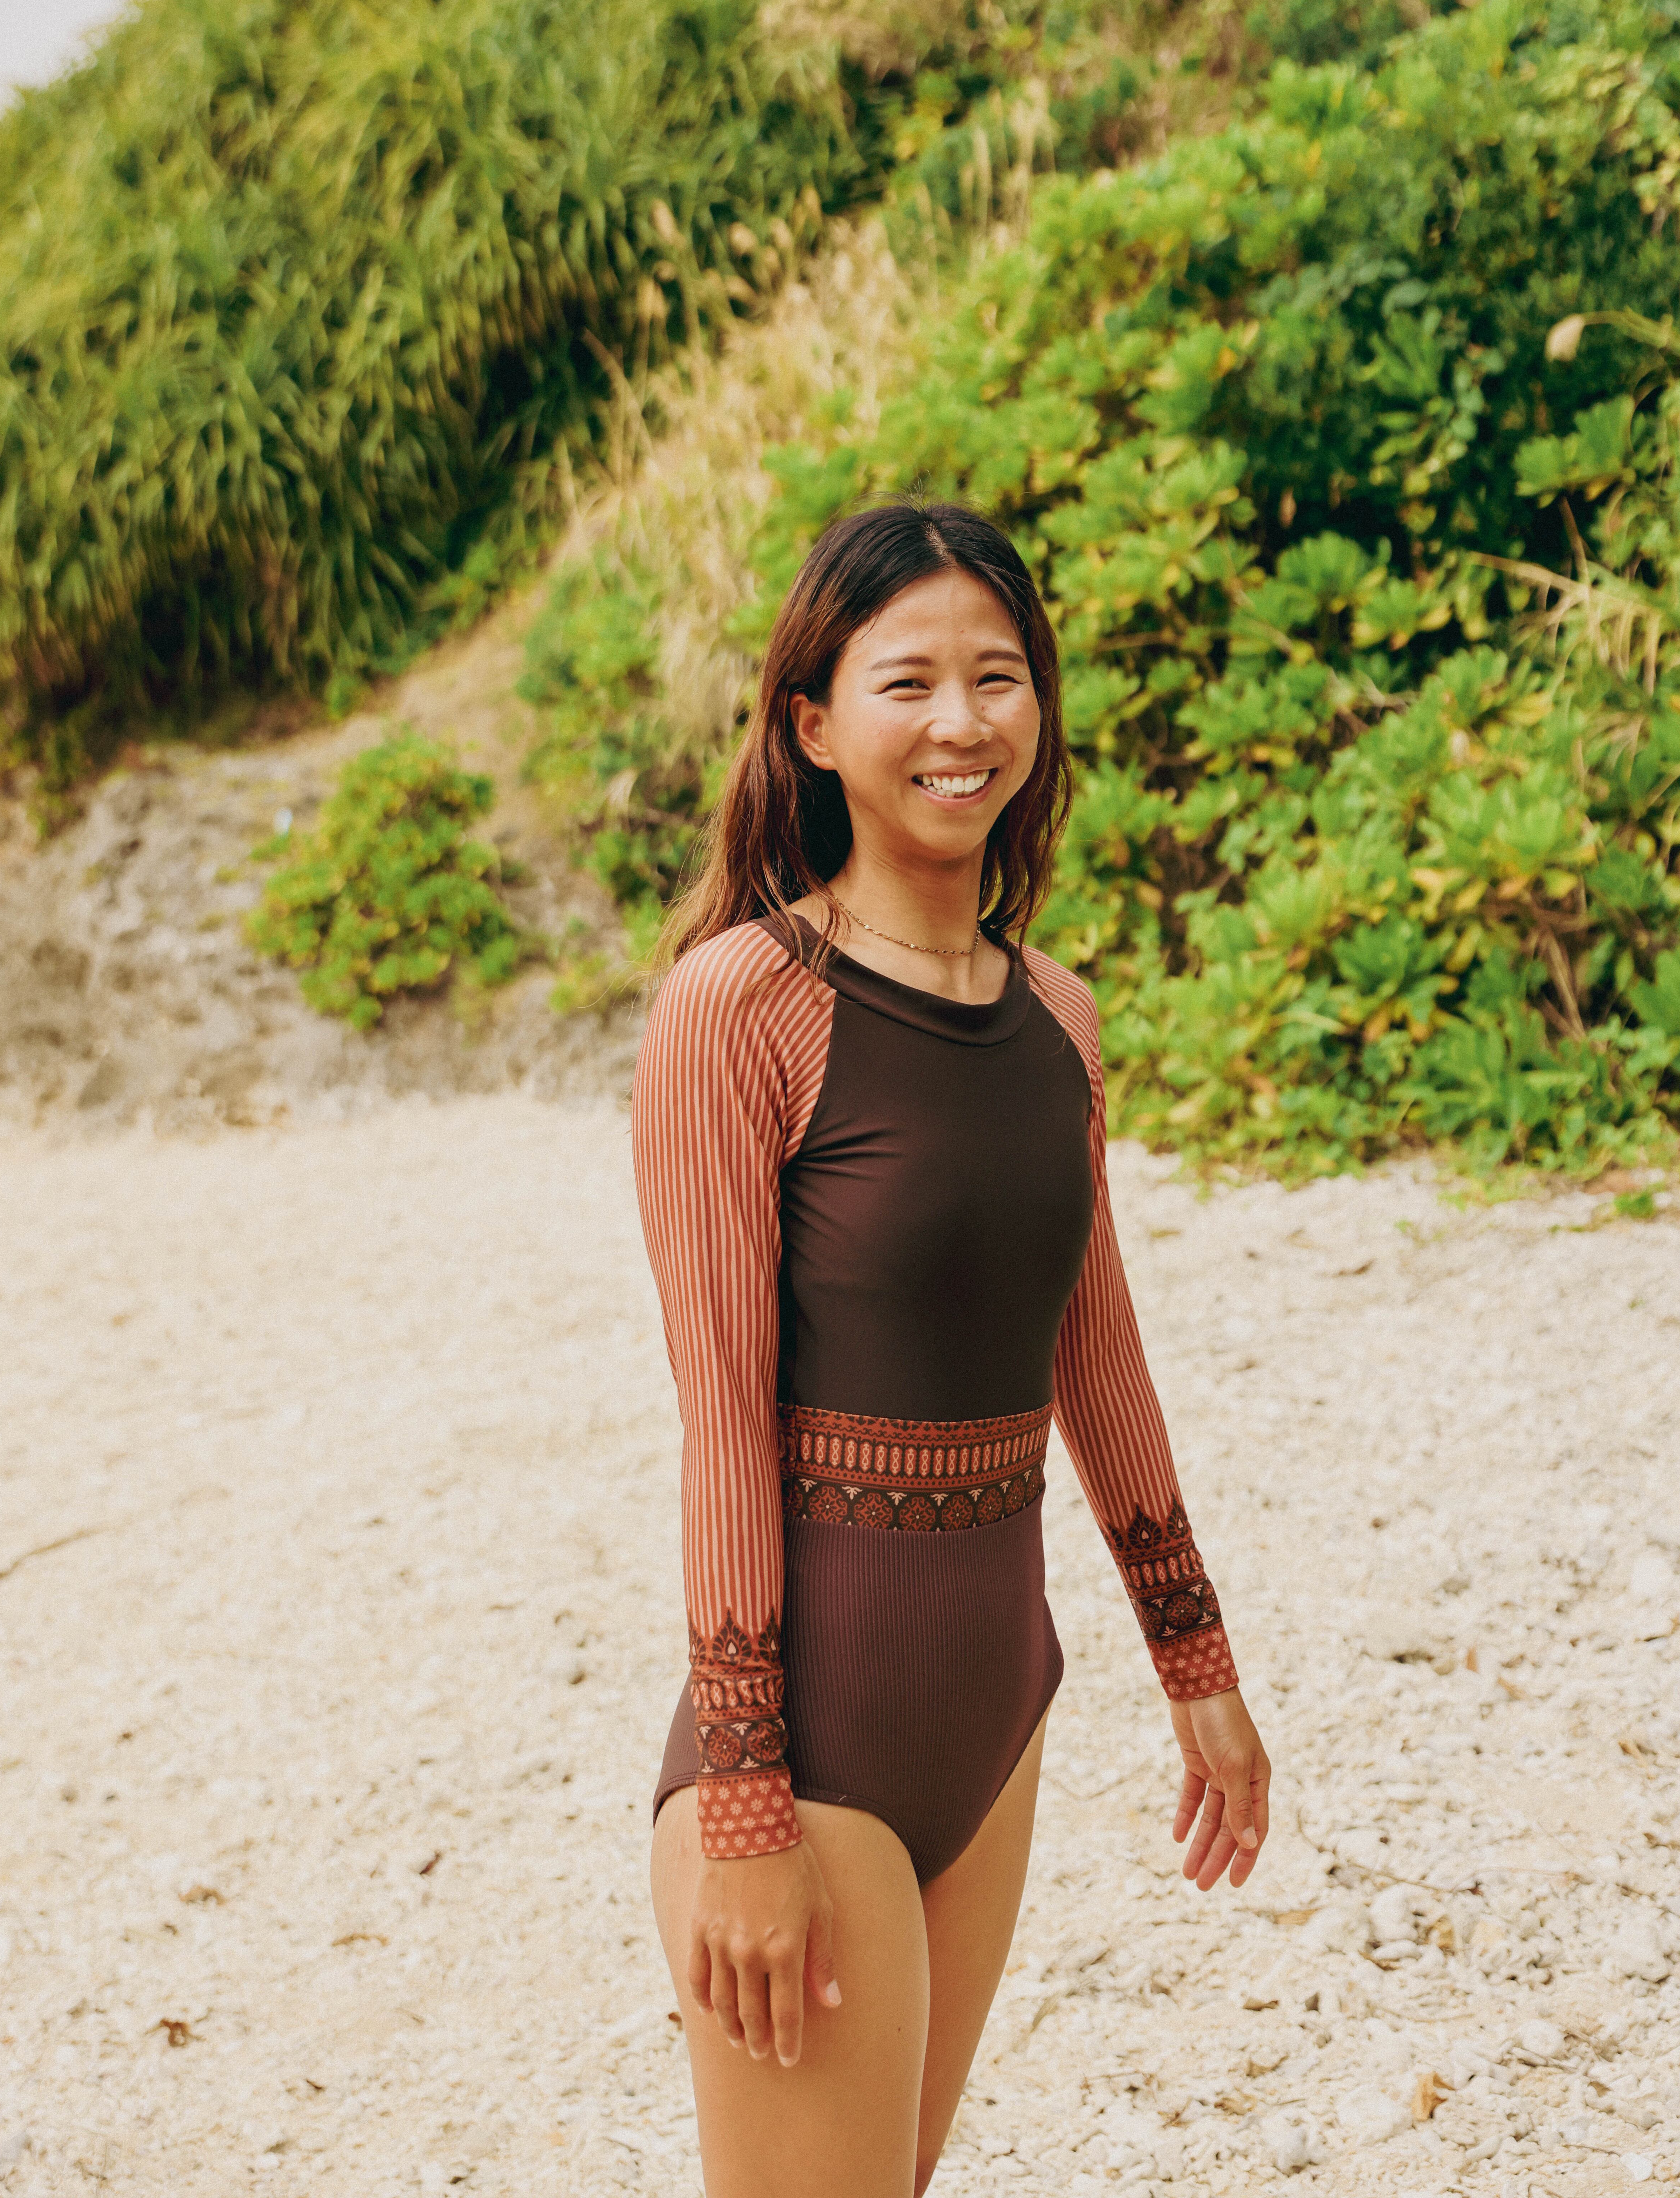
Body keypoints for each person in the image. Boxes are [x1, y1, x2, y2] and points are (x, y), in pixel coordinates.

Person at [634, 499, 1270, 2198]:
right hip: (808, 1748)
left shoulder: (1056, 1015)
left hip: (996, 1709)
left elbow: (1099, 1354)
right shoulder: (738, 1008)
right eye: (905, 679)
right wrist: (746, 1807)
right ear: (811, 723)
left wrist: (1196, 1667)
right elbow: (720, 1424)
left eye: (998, 674)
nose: (960, 719)